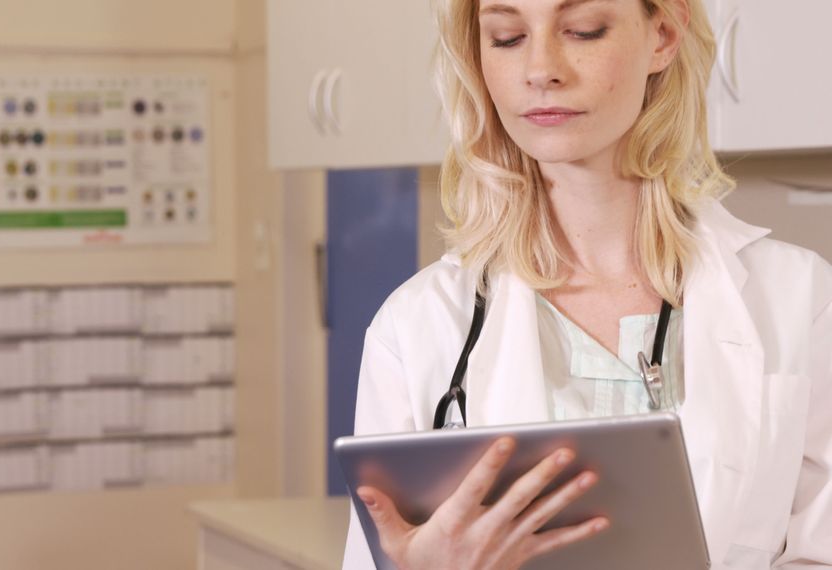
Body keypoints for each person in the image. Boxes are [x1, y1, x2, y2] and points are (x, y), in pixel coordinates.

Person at [341, 0, 832, 568]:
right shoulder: (415, 327)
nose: (540, 68)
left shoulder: (801, 300)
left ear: (663, 36)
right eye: (506, 37)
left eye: (582, 30)